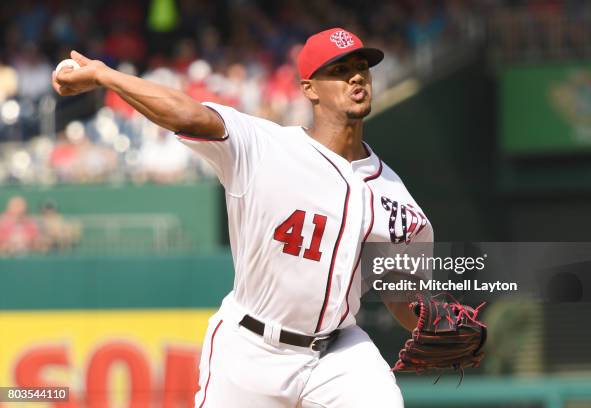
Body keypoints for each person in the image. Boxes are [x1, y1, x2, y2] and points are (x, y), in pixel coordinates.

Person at [52, 27, 433, 408]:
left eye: (362, 67)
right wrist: (104, 75)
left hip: (337, 354)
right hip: (250, 348)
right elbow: (187, 114)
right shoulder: (263, 146)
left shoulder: (393, 193)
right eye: (340, 69)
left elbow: (400, 294)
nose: (356, 76)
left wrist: (436, 324)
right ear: (309, 88)